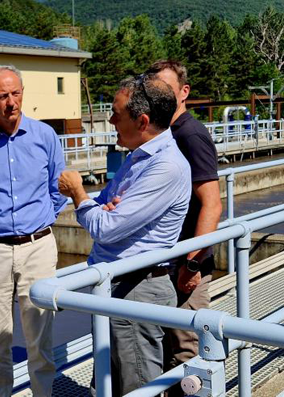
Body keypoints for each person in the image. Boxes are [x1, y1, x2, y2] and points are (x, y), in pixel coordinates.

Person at [58, 75, 190, 394]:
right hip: (118, 284)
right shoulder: (138, 157)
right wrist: (103, 210)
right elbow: (104, 207)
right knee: (111, 379)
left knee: (137, 384)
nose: (111, 119)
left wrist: (78, 193)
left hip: (136, 288)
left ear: (142, 120)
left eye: (117, 113)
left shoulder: (165, 166)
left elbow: (106, 226)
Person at [0, 64, 68, 396]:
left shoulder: (44, 136)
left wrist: (38, 220)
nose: (11, 102)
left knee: (40, 340)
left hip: (38, 247)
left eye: (16, 93)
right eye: (3, 95)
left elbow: (58, 188)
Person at [147, 60, 222, 394]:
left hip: (186, 266)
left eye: (166, 88)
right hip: (169, 264)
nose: (159, 95)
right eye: (154, 90)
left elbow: (212, 202)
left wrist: (192, 262)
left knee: (186, 349)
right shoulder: (165, 133)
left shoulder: (190, 134)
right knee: (168, 346)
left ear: (184, 92)